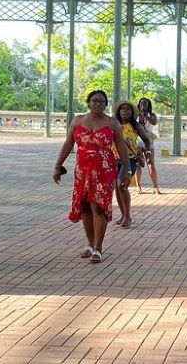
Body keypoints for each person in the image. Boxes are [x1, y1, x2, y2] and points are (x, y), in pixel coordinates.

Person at [53, 90, 130, 263]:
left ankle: (98, 247)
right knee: (85, 206)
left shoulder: (112, 123)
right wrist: (58, 165)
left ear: (105, 104)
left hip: (104, 169)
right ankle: (89, 243)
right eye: (95, 101)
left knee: (98, 206)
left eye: (102, 102)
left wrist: (126, 170)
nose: (98, 104)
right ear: (88, 103)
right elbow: (68, 143)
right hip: (83, 170)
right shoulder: (78, 120)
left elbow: (121, 147)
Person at [112, 100, 151, 228]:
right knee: (117, 187)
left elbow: (146, 139)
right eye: (122, 109)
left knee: (122, 185)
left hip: (130, 159)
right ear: (118, 111)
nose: (124, 111)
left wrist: (148, 152)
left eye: (128, 109)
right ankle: (123, 215)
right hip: (114, 158)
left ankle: (128, 216)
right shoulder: (113, 124)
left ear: (132, 112)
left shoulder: (136, 126)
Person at [136, 97, 161, 194]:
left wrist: (146, 116)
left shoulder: (152, 115)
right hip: (137, 141)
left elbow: (154, 122)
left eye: (145, 103)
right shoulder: (135, 115)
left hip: (148, 142)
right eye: (142, 103)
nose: (143, 105)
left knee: (150, 163)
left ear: (148, 105)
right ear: (139, 104)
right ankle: (138, 186)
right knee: (138, 164)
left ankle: (155, 186)